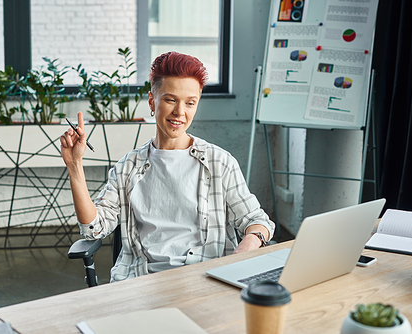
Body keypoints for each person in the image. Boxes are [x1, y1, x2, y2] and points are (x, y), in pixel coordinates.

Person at [60, 51, 275, 282]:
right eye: (170, 100)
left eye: (190, 103)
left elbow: (257, 221)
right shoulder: (128, 167)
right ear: (152, 101)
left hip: (204, 281)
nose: (180, 113)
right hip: (141, 283)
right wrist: (75, 166)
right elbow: (94, 228)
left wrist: (246, 247)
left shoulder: (219, 162)